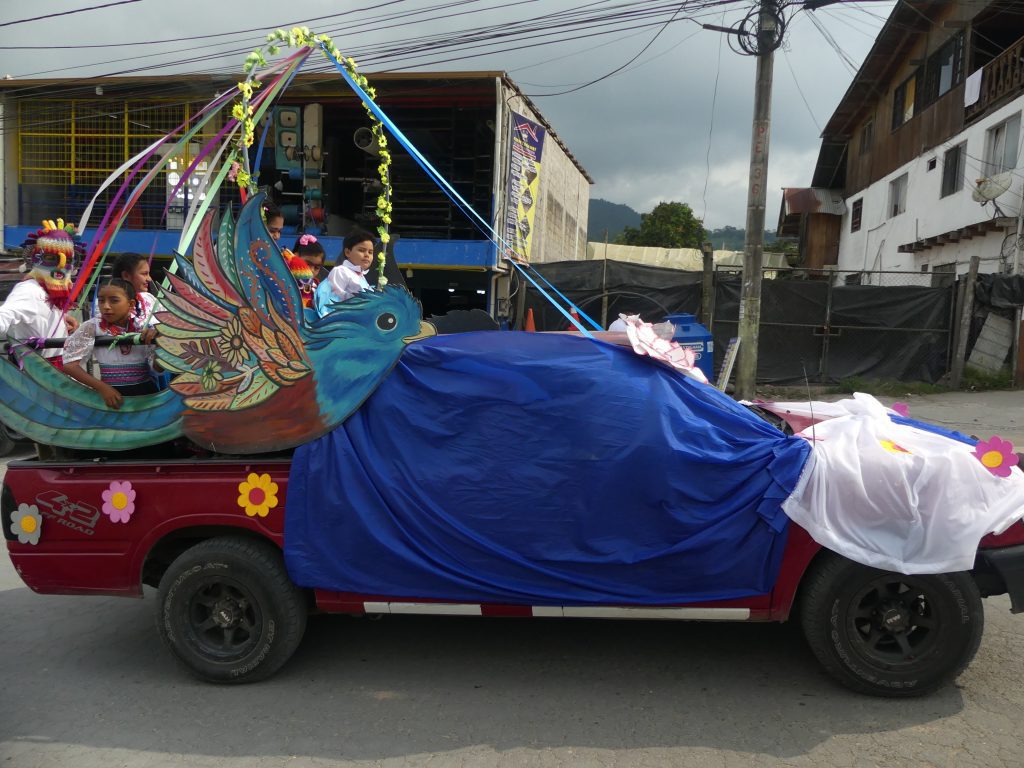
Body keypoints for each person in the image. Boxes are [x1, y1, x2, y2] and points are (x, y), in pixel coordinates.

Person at [62, 278, 159, 409]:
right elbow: (69, 365)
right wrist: (102, 388)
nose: (106, 306)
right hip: (109, 395)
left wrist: (160, 343)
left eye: (114, 300)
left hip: (146, 395)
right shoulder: (92, 326)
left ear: (131, 304)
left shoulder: (144, 326)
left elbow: (158, 368)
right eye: (101, 300)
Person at [0, 219, 82, 368]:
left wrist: (61, 319)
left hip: (55, 371)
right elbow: (4, 317)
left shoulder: (47, 292)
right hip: (36, 374)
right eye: (51, 258)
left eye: (68, 259)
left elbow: (36, 313)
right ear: (34, 258)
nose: (61, 266)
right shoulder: (29, 290)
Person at [315, 229, 376, 315]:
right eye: (362, 250)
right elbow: (332, 300)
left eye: (370, 252)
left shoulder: (361, 276)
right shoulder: (341, 271)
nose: (367, 255)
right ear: (347, 252)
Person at [110, 252, 161, 328]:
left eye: (148, 274)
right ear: (126, 275)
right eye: (144, 274)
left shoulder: (148, 298)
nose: (149, 279)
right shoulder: (106, 302)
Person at [289, 234, 325, 310]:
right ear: (295, 256)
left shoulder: (317, 286)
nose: (311, 270)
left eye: (316, 267)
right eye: (307, 264)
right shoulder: (284, 279)